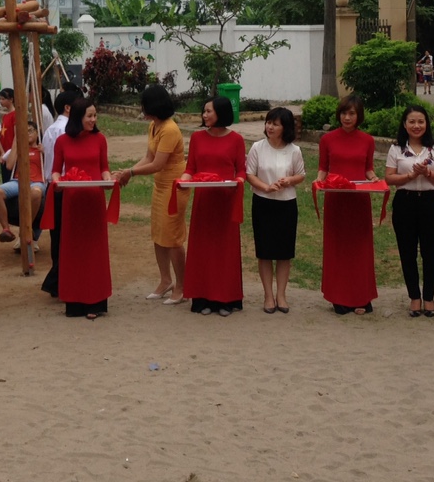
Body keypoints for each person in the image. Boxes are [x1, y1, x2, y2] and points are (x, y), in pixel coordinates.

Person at [114, 85, 187, 304]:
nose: (141, 108)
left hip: (174, 188)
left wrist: (130, 173)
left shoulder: (170, 129)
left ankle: (182, 287)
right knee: (159, 235)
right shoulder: (154, 126)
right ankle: (166, 280)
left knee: (172, 237)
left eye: (144, 104)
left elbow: (157, 164)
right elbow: (148, 157)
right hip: (159, 186)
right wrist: (128, 171)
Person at [176, 96, 246, 316]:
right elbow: (191, 168)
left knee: (225, 251)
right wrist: (182, 181)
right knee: (203, 249)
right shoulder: (197, 137)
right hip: (204, 201)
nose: (204, 115)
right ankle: (202, 298)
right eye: (204, 111)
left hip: (226, 201)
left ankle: (225, 299)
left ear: (221, 113)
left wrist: (239, 182)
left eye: (209, 111)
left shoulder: (236, 139)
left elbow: (241, 170)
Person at [50, 98, 114, 319]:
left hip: (94, 201)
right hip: (72, 202)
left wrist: (108, 179)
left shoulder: (100, 139)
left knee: (95, 250)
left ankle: (95, 301)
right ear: (78, 117)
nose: (94, 119)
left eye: (95, 115)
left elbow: (104, 168)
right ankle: (74, 300)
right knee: (73, 250)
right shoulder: (62, 141)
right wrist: (57, 183)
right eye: (90, 116)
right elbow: (56, 171)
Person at [384, 105, 434, 318]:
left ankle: (429, 298)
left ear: (426, 124)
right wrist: (409, 176)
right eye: (411, 121)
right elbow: (389, 178)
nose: (416, 125)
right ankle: (414, 297)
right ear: (405, 124)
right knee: (407, 251)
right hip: (405, 202)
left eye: (421, 121)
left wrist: (428, 173)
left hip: (429, 202)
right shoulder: (396, 149)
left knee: (431, 252)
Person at [317, 94, 378, 315]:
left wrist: (374, 179)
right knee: (337, 247)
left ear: (358, 115)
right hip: (336, 199)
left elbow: (368, 169)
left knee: (360, 247)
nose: (347, 117)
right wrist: (318, 182)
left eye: (351, 113)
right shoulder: (327, 139)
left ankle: (361, 296)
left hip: (359, 199)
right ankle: (339, 296)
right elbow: (323, 168)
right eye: (344, 113)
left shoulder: (368, 140)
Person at [247, 107, 305, 314]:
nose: (270, 127)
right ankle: (268, 296)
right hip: (263, 203)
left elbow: (301, 175)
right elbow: (250, 174)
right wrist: (266, 187)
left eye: (275, 124)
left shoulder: (294, 150)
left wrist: (289, 180)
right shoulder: (257, 147)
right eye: (268, 122)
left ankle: (281, 295)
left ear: (285, 128)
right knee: (264, 252)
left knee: (284, 253)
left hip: (286, 204)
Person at [39, 90, 76, 298]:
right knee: (65, 236)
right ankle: (57, 280)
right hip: (63, 185)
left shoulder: (51, 129)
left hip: (52, 185)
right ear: (68, 108)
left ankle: (58, 281)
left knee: (57, 236)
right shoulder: (65, 130)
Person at [0, 120, 45, 247]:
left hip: (37, 182)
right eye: (25, 132)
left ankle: (26, 228)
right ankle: (6, 229)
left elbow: (51, 166)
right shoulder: (18, 149)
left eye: (30, 131)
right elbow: (9, 165)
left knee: (35, 193)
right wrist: (16, 141)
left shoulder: (42, 149)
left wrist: (45, 152)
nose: (28, 134)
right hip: (18, 182)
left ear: (37, 133)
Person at [0, 88, 17, 182]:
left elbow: (16, 135)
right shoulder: (5, 116)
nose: (1, 101)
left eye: (3, 99)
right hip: (4, 151)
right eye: (0, 99)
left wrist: (11, 152)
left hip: (11, 151)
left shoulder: (15, 115)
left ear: (11, 99)